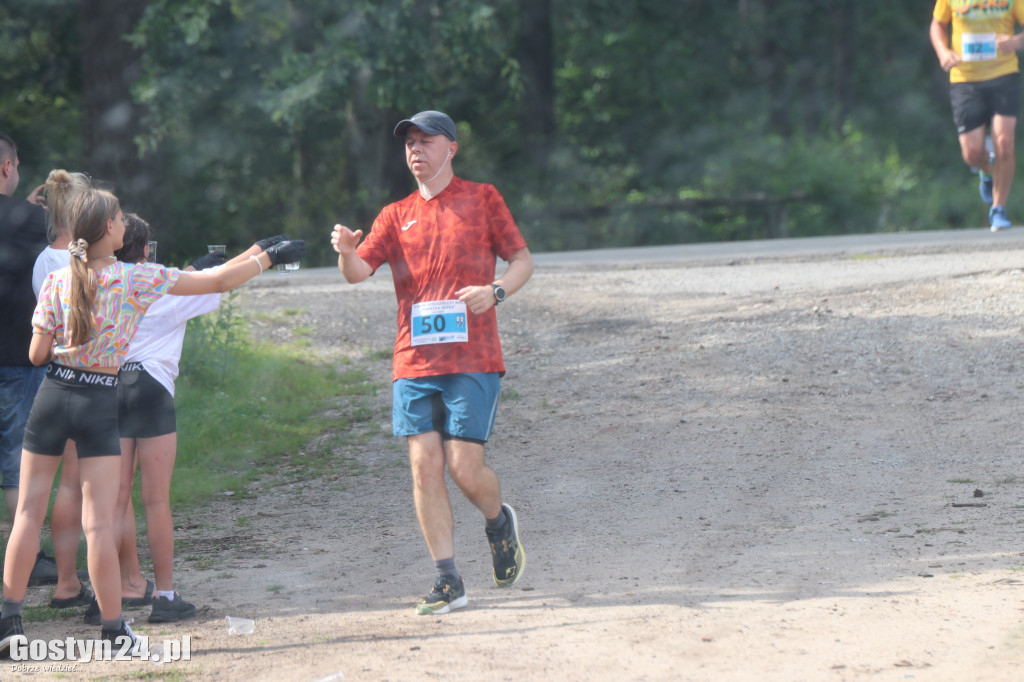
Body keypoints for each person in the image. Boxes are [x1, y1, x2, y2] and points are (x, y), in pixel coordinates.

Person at [0, 186, 304, 654]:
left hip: (53, 394)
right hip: (99, 398)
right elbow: (218, 282)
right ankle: (114, 629)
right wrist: (266, 256)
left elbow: (36, 353)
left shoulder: (60, 279)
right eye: (119, 217)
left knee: (26, 514)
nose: (125, 223)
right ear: (107, 229)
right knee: (99, 525)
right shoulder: (136, 278)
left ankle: (9, 623)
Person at [330, 110, 533, 615]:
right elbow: (357, 273)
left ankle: (498, 521)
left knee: (465, 469)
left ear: (452, 149)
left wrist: (496, 291)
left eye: (426, 141)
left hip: (474, 357)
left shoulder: (483, 198)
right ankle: (448, 579)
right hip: (414, 360)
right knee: (424, 467)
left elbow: (522, 261)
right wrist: (346, 252)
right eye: (409, 144)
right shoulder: (395, 215)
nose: (415, 150)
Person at [113, 214, 287, 624]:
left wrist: (255, 249)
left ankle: (113, 591)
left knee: (115, 501)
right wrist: (265, 254)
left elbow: (197, 275)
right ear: (144, 250)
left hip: (111, 388)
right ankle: (166, 595)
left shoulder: (104, 280)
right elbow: (218, 281)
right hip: (152, 389)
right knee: (155, 499)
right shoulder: (157, 279)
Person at [28, 169, 96, 611]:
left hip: (53, 377)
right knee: (88, 487)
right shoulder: (92, 263)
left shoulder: (43, 263)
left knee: (61, 487)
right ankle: (97, 586)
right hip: (93, 380)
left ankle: (67, 582)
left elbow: (45, 334)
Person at [0, 132, 59, 587]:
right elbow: (68, 238)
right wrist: (39, 211)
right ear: (7, 168)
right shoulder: (28, 219)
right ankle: (31, 557)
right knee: (19, 457)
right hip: (16, 358)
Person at [931, 1, 1024, 231]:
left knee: (1003, 142)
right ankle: (986, 169)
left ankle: (998, 208)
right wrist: (943, 52)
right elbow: (938, 24)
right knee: (972, 154)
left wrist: (1015, 42)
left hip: (1004, 75)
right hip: (965, 80)